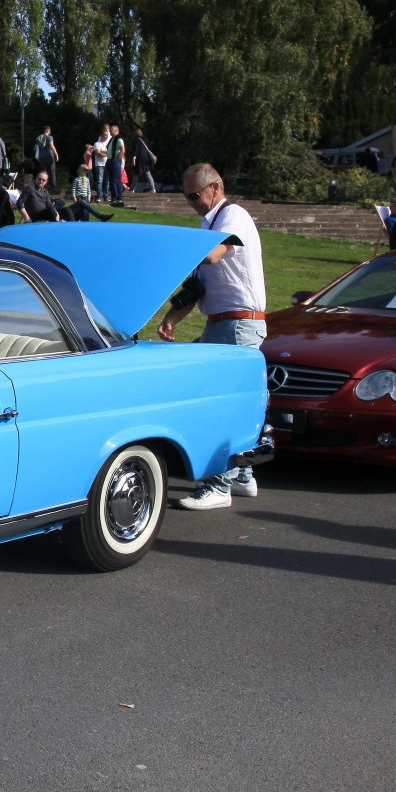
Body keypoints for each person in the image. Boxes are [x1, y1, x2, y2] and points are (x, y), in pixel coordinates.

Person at [157, 163, 266, 510]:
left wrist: (168, 250)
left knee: (222, 403)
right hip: (222, 324)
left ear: (215, 188)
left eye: (194, 196)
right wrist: (172, 318)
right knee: (225, 399)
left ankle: (219, 485)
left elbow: (214, 255)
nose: (190, 203)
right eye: (186, 197)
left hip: (239, 324)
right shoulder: (209, 225)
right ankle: (243, 475)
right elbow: (199, 284)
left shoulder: (233, 216)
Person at [131, 127, 157, 194]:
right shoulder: (145, 139)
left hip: (139, 158)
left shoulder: (136, 140)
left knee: (136, 173)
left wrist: (134, 159)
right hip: (146, 158)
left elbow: (136, 150)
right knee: (148, 173)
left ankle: (132, 189)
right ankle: (153, 188)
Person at [105, 125, 127, 206]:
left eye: (112, 130)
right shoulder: (112, 139)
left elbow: (122, 150)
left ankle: (119, 198)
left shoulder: (119, 139)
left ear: (116, 131)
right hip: (110, 160)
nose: (110, 132)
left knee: (116, 180)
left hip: (115, 161)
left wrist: (116, 158)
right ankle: (114, 198)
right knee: (111, 180)